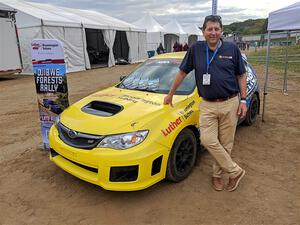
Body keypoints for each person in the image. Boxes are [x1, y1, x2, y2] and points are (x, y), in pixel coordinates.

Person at [163, 15, 247, 192]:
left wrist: (244, 100)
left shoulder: (232, 49)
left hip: (230, 102)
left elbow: (241, 75)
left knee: (226, 144)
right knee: (207, 139)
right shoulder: (196, 49)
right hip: (207, 104)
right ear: (203, 31)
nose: (213, 32)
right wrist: (170, 94)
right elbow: (181, 72)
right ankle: (235, 171)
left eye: (217, 29)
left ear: (221, 30)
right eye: (209, 29)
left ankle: (217, 176)